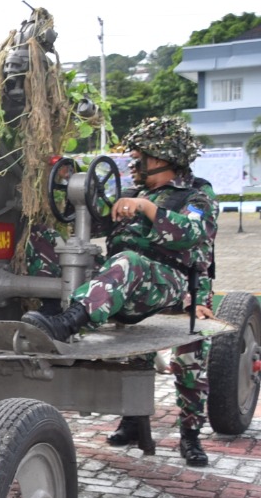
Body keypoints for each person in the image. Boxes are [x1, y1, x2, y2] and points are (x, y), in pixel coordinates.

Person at [21, 116, 217, 466]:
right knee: (45, 239)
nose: (133, 163)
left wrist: (147, 209)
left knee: (188, 363)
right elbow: (90, 220)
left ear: (161, 157)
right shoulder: (131, 195)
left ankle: (190, 436)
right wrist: (73, 188)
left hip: (172, 284)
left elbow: (192, 233)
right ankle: (53, 313)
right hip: (124, 282)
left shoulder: (196, 195)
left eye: (139, 156)